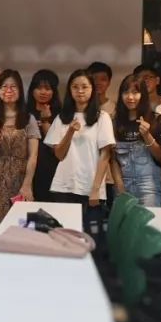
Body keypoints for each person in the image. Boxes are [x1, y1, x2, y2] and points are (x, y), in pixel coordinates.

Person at [44, 69, 116, 233]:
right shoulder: (62, 118)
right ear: (70, 90)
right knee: (65, 236)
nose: (80, 91)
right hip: (64, 186)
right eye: (75, 87)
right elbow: (59, 155)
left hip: (91, 188)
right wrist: (70, 131)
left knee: (90, 237)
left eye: (84, 86)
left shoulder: (102, 117)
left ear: (92, 89)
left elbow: (105, 156)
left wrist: (95, 189)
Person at [0, 70, 39, 257]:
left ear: (20, 90)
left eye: (13, 86)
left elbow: (33, 155)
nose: (8, 90)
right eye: (4, 86)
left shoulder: (28, 118)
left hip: (18, 179)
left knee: (17, 227)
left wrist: (27, 184)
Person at [110, 74, 161, 207]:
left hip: (149, 185)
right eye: (125, 92)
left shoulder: (155, 119)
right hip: (124, 185)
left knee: (149, 220)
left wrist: (147, 135)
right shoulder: (115, 122)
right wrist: (119, 185)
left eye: (135, 92)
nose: (130, 97)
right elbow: (112, 159)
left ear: (143, 95)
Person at [28, 69, 62, 201]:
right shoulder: (25, 112)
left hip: (52, 170)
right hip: (28, 170)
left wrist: (46, 120)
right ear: (32, 90)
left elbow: (57, 147)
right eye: (39, 88)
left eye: (47, 88)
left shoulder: (60, 114)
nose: (43, 92)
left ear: (54, 91)